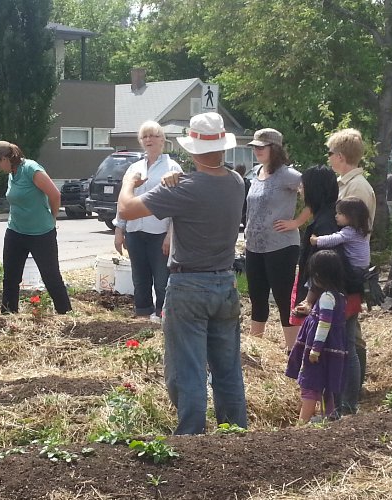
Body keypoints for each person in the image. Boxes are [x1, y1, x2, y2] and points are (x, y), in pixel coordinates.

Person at [116, 112, 247, 435]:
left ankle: (191, 436)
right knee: (227, 367)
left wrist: (128, 183)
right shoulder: (236, 182)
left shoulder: (185, 188)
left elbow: (126, 209)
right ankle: (235, 434)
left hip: (189, 284)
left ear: (191, 150)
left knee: (187, 368)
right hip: (225, 281)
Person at [323, 129, 375, 416]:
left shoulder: (356, 188)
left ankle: (351, 397)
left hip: (349, 270)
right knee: (351, 332)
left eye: (330, 153)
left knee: (350, 334)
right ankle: (351, 393)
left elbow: (353, 232)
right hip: (348, 266)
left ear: (340, 156)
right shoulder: (349, 183)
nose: (329, 158)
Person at [0, 141, 71, 315]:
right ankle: (8, 314)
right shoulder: (12, 173)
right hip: (15, 231)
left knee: (50, 276)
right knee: (10, 277)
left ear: (6, 158)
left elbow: (55, 194)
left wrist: (53, 217)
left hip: (41, 233)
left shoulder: (30, 169)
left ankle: (65, 313)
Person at [241, 128, 302, 349]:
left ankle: (292, 349)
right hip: (254, 245)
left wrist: (296, 222)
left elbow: (316, 196)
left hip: (281, 246)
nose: (256, 150)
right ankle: (257, 346)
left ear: (274, 149)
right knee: (257, 296)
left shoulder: (288, 175)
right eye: (254, 147)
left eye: (261, 147)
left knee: (283, 297)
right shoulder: (256, 171)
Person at [113, 121, 180, 320]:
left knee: (161, 280)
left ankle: (162, 316)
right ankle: (142, 314)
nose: (149, 140)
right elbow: (123, 200)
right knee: (140, 279)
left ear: (162, 140)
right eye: (145, 137)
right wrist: (119, 230)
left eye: (154, 135)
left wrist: (170, 235)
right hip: (134, 232)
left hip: (159, 232)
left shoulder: (172, 167)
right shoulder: (134, 167)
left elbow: (177, 205)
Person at [285, 250, 349, 423]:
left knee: (310, 387)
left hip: (320, 353)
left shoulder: (327, 297)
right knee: (327, 387)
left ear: (319, 275)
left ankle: (302, 423)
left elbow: (325, 324)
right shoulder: (340, 296)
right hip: (330, 352)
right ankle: (329, 418)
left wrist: (315, 349)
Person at [291, 167, 340, 311]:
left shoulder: (325, 223)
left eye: (303, 186)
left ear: (314, 189)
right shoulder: (328, 215)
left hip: (323, 301)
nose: (300, 190)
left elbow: (323, 267)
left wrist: (309, 300)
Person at [308, 197, 372, 300]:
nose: (336, 216)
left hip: (354, 268)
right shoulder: (360, 230)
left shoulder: (350, 231)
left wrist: (317, 240)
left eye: (339, 213)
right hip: (362, 268)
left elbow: (335, 238)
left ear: (351, 216)